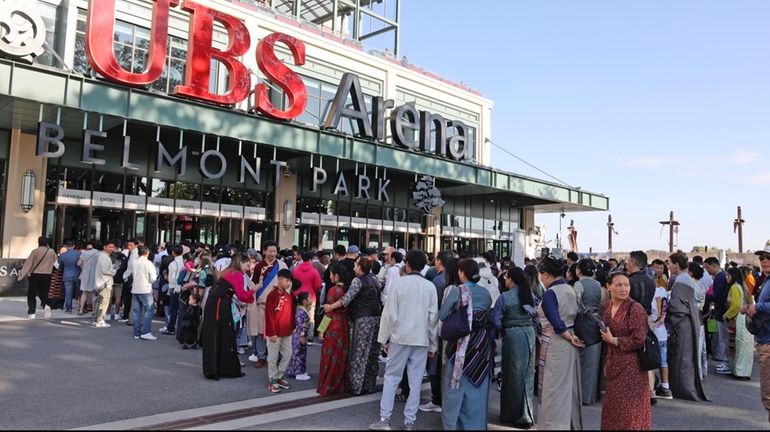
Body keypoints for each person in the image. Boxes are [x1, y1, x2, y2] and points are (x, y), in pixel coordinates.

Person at [370, 250, 438, 431]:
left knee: (392, 378)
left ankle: (385, 419)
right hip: (421, 339)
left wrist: (383, 338)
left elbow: (389, 314)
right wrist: (433, 344)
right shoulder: (429, 287)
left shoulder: (399, 284)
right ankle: (409, 422)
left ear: (407, 265)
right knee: (416, 381)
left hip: (399, 337)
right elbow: (433, 319)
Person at [536, 254, 584, 430]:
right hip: (569, 342)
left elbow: (556, 322)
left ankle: (553, 426)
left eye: (541, 275)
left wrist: (568, 336)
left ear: (546, 274)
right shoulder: (570, 289)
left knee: (552, 390)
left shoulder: (550, 293)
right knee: (567, 389)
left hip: (556, 342)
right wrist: (572, 337)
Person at [599, 272, 651, 430]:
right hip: (613, 364)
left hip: (631, 367)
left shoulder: (634, 308)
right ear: (609, 287)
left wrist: (614, 340)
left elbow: (639, 338)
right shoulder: (607, 307)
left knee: (629, 413)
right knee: (612, 410)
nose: (623, 288)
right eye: (618, 285)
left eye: (626, 285)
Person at [324, 257, 382, 395]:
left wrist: (330, 307)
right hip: (376, 318)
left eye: (356, 265)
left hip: (362, 319)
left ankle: (357, 386)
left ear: (361, 268)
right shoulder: (375, 280)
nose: (354, 267)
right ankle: (370, 384)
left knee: (359, 353)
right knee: (372, 354)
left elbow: (346, 299)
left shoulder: (357, 281)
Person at [494, 266, 536, 429]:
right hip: (529, 334)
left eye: (506, 277)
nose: (505, 279)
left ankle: (510, 414)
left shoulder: (504, 297)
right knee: (527, 374)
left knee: (512, 375)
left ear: (511, 279)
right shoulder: (529, 294)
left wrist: (501, 329)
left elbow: (496, 319)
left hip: (512, 336)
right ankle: (526, 414)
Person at [200, 252, 254, 380]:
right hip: (221, 306)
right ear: (241, 262)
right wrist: (255, 289)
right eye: (247, 265)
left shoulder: (226, 271)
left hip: (214, 305)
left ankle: (214, 368)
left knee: (215, 336)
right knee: (226, 336)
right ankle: (228, 369)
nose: (248, 268)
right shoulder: (237, 274)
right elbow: (242, 295)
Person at [666, 251, 708, 401]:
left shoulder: (681, 280)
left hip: (682, 323)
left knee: (682, 357)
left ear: (676, 265)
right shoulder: (687, 279)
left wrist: (667, 306)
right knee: (687, 356)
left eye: (670, 263)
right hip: (690, 322)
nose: (668, 266)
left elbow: (678, 307)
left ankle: (684, 388)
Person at [420, 250, 454, 414]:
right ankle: (443, 398)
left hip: (437, 326)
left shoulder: (437, 280)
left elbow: (432, 308)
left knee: (434, 363)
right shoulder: (451, 279)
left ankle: (436, 399)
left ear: (439, 261)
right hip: (450, 328)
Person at [247, 240, 287, 368]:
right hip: (261, 304)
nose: (272, 254)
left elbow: (288, 283)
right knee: (260, 331)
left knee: (275, 331)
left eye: (274, 251)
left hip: (277, 305)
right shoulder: (259, 267)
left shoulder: (282, 266)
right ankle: (261, 356)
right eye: (270, 251)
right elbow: (253, 285)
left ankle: (275, 355)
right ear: (264, 251)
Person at [743, 246, 770, 423]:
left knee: (768, 395)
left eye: (768, 257)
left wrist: (756, 307)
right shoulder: (764, 281)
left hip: (768, 342)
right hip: (764, 339)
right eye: (762, 258)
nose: (765, 261)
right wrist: (749, 308)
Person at [317, 262, 350, 396]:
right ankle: (339, 385)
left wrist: (321, 330)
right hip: (344, 325)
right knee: (340, 356)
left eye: (331, 274)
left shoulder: (333, 290)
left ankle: (327, 385)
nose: (330, 276)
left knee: (329, 357)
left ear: (336, 276)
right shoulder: (347, 289)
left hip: (333, 326)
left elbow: (328, 313)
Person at [574, 258, 602, 406]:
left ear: (579, 270)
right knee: (593, 360)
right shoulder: (598, 284)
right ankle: (591, 395)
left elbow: (576, 304)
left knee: (583, 361)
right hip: (596, 321)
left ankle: (583, 396)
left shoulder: (578, 284)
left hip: (583, 322)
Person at [265, 269, 296, 393]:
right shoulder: (272, 296)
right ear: (279, 280)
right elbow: (269, 315)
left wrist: (292, 327)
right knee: (272, 357)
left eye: (290, 281)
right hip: (274, 332)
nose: (288, 283)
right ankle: (272, 379)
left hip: (286, 331)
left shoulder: (288, 296)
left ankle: (279, 376)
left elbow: (290, 314)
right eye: (286, 280)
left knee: (288, 353)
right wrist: (271, 332)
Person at [17, 236, 58, 319]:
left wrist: (21, 276)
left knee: (32, 294)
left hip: (35, 275)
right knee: (44, 292)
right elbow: (56, 264)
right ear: (47, 242)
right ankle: (46, 305)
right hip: (47, 275)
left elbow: (28, 264)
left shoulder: (35, 252)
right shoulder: (51, 251)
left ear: (38, 242)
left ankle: (32, 313)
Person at [725, 267, 754, 379]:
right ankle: (744, 371)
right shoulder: (743, 286)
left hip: (737, 318)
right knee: (744, 346)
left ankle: (738, 371)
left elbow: (736, 305)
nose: (727, 278)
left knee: (737, 345)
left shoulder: (734, 287)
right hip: (744, 318)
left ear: (732, 276)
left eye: (728, 276)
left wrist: (726, 314)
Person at [704, 256, 729, 375]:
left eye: (708, 268)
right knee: (719, 335)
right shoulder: (721, 276)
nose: (707, 271)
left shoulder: (720, 278)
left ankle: (722, 358)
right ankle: (721, 357)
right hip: (720, 310)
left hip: (720, 311)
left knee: (721, 336)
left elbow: (718, 296)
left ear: (714, 266)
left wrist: (705, 297)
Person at [131, 245, 158, 341]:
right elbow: (153, 278)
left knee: (136, 312)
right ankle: (146, 332)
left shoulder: (134, 262)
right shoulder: (148, 263)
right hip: (146, 289)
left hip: (135, 288)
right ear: (147, 253)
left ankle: (136, 332)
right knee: (149, 311)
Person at [285, 291, 312, 381]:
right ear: (304, 301)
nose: (311, 300)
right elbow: (301, 324)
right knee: (299, 354)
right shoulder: (301, 311)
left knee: (300, 353)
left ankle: (296, 371)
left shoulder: (302, 309)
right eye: (309, 298)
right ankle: (298, 372)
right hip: (300, 335)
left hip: (300, 334)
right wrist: (302, 335)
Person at [93, 240, 118, 328]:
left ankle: (97, 319)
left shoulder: (104, 256)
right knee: (103, 302)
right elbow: (104, 270)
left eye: (112, 247)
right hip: (104, 282)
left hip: (102, 282)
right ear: (104, 247)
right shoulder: (103, 256)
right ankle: (99, 320)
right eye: (109, 247)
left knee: (100, 301)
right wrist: (114, 271)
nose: (111, 249)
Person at [58, 240, 81, 313]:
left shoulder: (62, 255)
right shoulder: (79, 254)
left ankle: (69, 308)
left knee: (68, 293)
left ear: (66, 246)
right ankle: (81, 307)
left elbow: (60, 266)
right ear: (74, 246)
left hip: (67, 275)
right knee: (80, 292)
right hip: (78, 275)